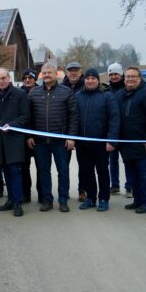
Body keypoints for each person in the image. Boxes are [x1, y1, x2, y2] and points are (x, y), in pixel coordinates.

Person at [27, 63, 77, 212]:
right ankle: (47, 200)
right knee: (43, 171)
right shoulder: (33, 93)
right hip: (40, 141)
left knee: (63, 171)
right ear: (41, 75)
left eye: (50, 72)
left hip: (60, 141)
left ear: (56, 74)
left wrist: (71, 137)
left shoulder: (66, 92)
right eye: (44, 73)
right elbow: (29, 117)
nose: (47, 75)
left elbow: (73, 116)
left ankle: (63, 200)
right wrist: (29, 135)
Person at [115, 67, 146, 214]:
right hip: (126, 144)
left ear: (139, 78)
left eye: (133, 77)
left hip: (144, 144)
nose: (130, 79)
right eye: (127, 77)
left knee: (145, 174)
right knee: (132, 174)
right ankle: (137, 200)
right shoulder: (120, 95)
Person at [0, 68, 30, 217]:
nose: (0, 81)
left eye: (3, 78)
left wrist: (12, 125)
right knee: (5, 172)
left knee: (14, 172)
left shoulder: (20, 94)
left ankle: (17, 202)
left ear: (9, 78)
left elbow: (25, 116)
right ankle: (10, 200)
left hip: (14, 140)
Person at [75, 68, 119, 212]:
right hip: (83, 143)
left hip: (101, 143)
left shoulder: (107, 96)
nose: (90, 80)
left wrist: (111, 140)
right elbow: (74, 119)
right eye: (88, 78)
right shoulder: (78, 96)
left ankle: (104, 199)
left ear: (98, 80)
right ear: (84, 80)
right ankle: (91, 198)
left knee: (102, 171)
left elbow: (114, 119)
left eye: (93, 78)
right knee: (87, 171)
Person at [105, 62, 131, 197]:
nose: (114, 77)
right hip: (112, 132)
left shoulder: (127, 90)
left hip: (125, 131)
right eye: (111, 74)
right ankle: (114, 185)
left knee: (127, 160)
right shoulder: (106, 91)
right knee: (112, 160)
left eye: (116, 74)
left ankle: (129, 186)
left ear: (121, 75)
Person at [61, 61, 86, 201]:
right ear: (66, 72)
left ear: (80, 72)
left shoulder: (86, 86)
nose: (73, 73)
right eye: (70, 70)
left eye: (76, 70)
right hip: (67, 132)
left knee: (83, 164)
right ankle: (64, 192)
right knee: (64, 165)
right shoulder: (61, 87)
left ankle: (82, 190)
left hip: (82, 132)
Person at [20, 69, 42, 203]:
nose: (27, 80)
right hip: (24, 137)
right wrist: (28, 135)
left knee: (41, 168)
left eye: (30, 78)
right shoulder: (19, 93)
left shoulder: (41, 92)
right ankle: (25, 194)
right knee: (24, 168)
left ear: (35, 80)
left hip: (39, 136)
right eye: (25, 78)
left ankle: (42, 194)